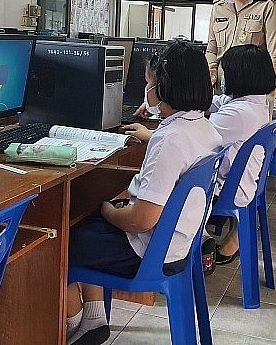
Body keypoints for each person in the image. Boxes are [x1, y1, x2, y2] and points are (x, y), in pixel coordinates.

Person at [65, 40, 221, 345]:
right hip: (179, 243)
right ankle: (93, 320)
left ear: (162, 87)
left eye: (148, 83)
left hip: (148, 251)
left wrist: (107, 210)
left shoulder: (170, 139)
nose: (146, 90)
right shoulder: (204, 128)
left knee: (61, 243)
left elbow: (140, 220)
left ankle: (73, 325)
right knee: (87, 223)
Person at [203, 44, 276, 269]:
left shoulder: (238, 113)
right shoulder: (255, 103)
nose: (222, 77)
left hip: (226, 190)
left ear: (239, 76)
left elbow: (196, 140)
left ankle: (197, 245)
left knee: (171, 183)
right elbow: (213, 103)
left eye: (225, 72)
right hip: (246, 184)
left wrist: (149, 135)